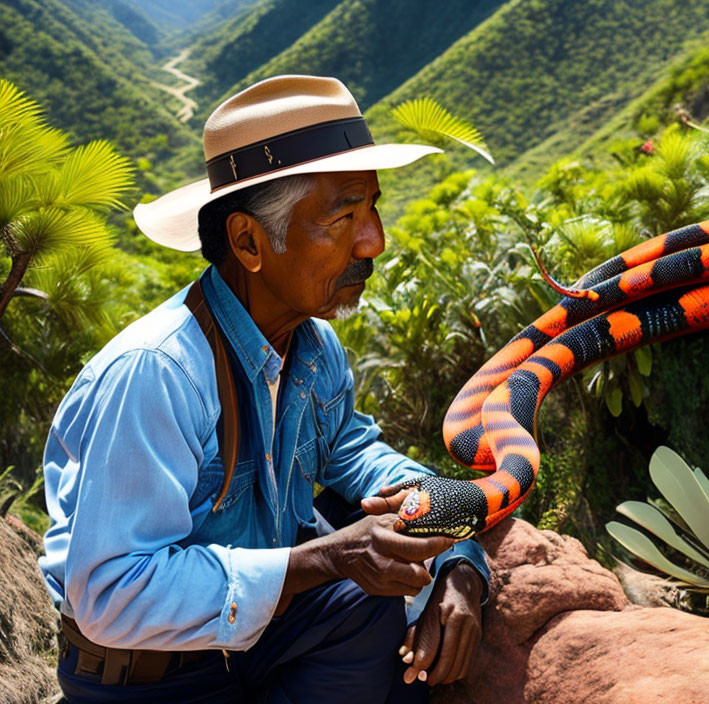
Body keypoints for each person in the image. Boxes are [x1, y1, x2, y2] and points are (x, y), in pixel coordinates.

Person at [39, 75, 490, 703]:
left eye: (373, 208)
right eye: (344, 215)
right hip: (153, 676)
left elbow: (364, 462)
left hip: (258, 641)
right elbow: (110, 596)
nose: (375, 241)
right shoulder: (160, 373)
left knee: (370, 603)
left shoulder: (311, 348)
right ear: (249, 242)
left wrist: (459, 555)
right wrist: (324, 560)